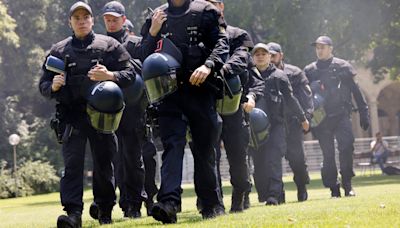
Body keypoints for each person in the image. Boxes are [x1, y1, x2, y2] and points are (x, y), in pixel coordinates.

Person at [39, 2, 135, 227]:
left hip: (103, 116)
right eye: (77, 18)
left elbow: (131, 73)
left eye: (85, 17)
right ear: (69, 22)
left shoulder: (109, 45)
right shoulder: (58, 51)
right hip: (71, 116)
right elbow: (42, 84)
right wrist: (53, 85)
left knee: (104, 164)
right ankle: (73, 215)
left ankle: (105, 211)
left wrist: (110, 75)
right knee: (72, 165)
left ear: (92, 20)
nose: (81, 21)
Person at [139, 0, 229, 223]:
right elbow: (143, 56)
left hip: (201, 90)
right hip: (169, 94)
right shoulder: (156, 16)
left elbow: (221, 44)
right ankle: (169, 203)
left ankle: (211, 204)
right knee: (172, 145)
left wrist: (208, 65)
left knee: (204, 149)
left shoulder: (206, 11)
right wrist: (152, 32)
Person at [205, 0, 264, 213]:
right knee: (208, 156)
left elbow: (252, 76)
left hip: (235, 108)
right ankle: (213, 202)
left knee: (238, 156)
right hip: (207, 106)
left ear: (221, 6)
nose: (208, 7)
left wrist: (252, 97)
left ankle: (240, 195)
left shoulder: (238, 35)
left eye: (212, 3)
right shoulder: (197, 36)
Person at [91, 1, 146, 219]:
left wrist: (115, 72)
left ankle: (134, 204)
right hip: (106, 109)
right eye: (107, 19)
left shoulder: (135, 43)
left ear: (124, 20)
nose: (111, 23)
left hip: (132, 108)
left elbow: (144, 66)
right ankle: (104, 205)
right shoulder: (98, 44)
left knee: (133, 158)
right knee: (105, 158)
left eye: (115, 19)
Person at [304, 35, 370, 197]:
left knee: (346, 146)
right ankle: (334, 187)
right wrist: (305, 117)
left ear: (330, 48)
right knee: (328, 154)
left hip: (341, 114)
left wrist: (364, 112)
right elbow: (304, 96)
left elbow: (355, 90)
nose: (319, 50)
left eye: (323, 47)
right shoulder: (310, 70)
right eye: (317, 47)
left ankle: (347, 184)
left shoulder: (343, 66)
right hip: (321, 118)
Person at [250, 43, 309, 205]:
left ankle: (274, 196)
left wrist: (303, 119)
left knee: (274, 160)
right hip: (254, 130)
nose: (260, 56)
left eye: (264, 54)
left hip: (277, 125)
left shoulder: (279, 76)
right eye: (257, 54)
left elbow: (291, 99)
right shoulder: (247, 76)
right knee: (259, 165)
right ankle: (268, 194)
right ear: (253, 57)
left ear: (270, 57)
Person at [268, 42, 313, 202]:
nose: (271, 58)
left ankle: (301, 186)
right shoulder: (261, 73)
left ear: (281, 55)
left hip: (293, 123)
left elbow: (306, 98)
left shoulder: (294, 73)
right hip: (273, 124)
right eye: (269, 55)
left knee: (297, 160)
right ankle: (278, 194)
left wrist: (306, 118)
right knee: (273, 159)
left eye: (274, 55)